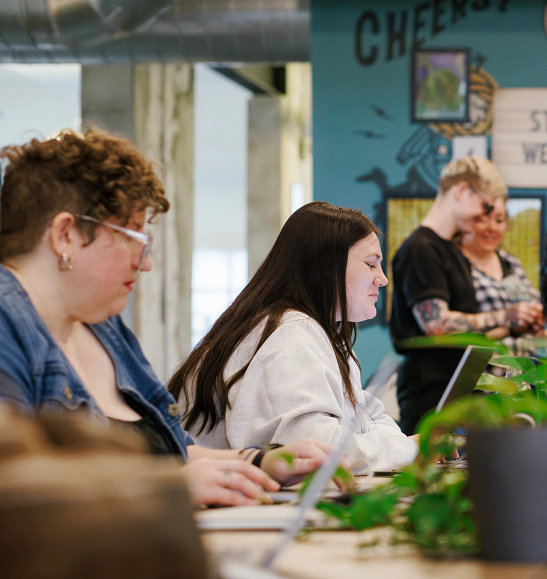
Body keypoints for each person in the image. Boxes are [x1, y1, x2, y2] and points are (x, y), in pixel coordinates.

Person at [0, 130, 326, 507]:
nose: (146, 263)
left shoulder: (103, 328)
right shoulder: (9, 324)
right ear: (65, 235)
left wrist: (262, 462)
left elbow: (176, 455)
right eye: (132, 238)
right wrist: (164, 486)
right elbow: (16, 485)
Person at [170, 202, 418, 476]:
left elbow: (369, 419)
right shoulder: (290, 336)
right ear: (326, 266)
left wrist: (405, 448)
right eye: (371, 264)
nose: (382, 279)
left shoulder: (322, 335)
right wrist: (409, 450)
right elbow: (316, 449)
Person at [390, 157, 543, 434]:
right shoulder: (421, 248)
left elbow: (468, 331)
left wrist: (514, 328)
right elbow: (437, 324)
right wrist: (506, 316)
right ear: (461, 191)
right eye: (485, 206)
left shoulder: (453, 253)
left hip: (460, 388)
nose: (485, 217)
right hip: (431, 392)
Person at [459, 200, 547, 356]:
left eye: (499, 220)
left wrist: (536, 319)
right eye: (483, 220)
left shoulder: (511, 262)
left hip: (527, 365)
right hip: (488, 367)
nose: (492, 227)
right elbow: (454, 336)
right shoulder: (457, 266)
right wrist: (509, 327)